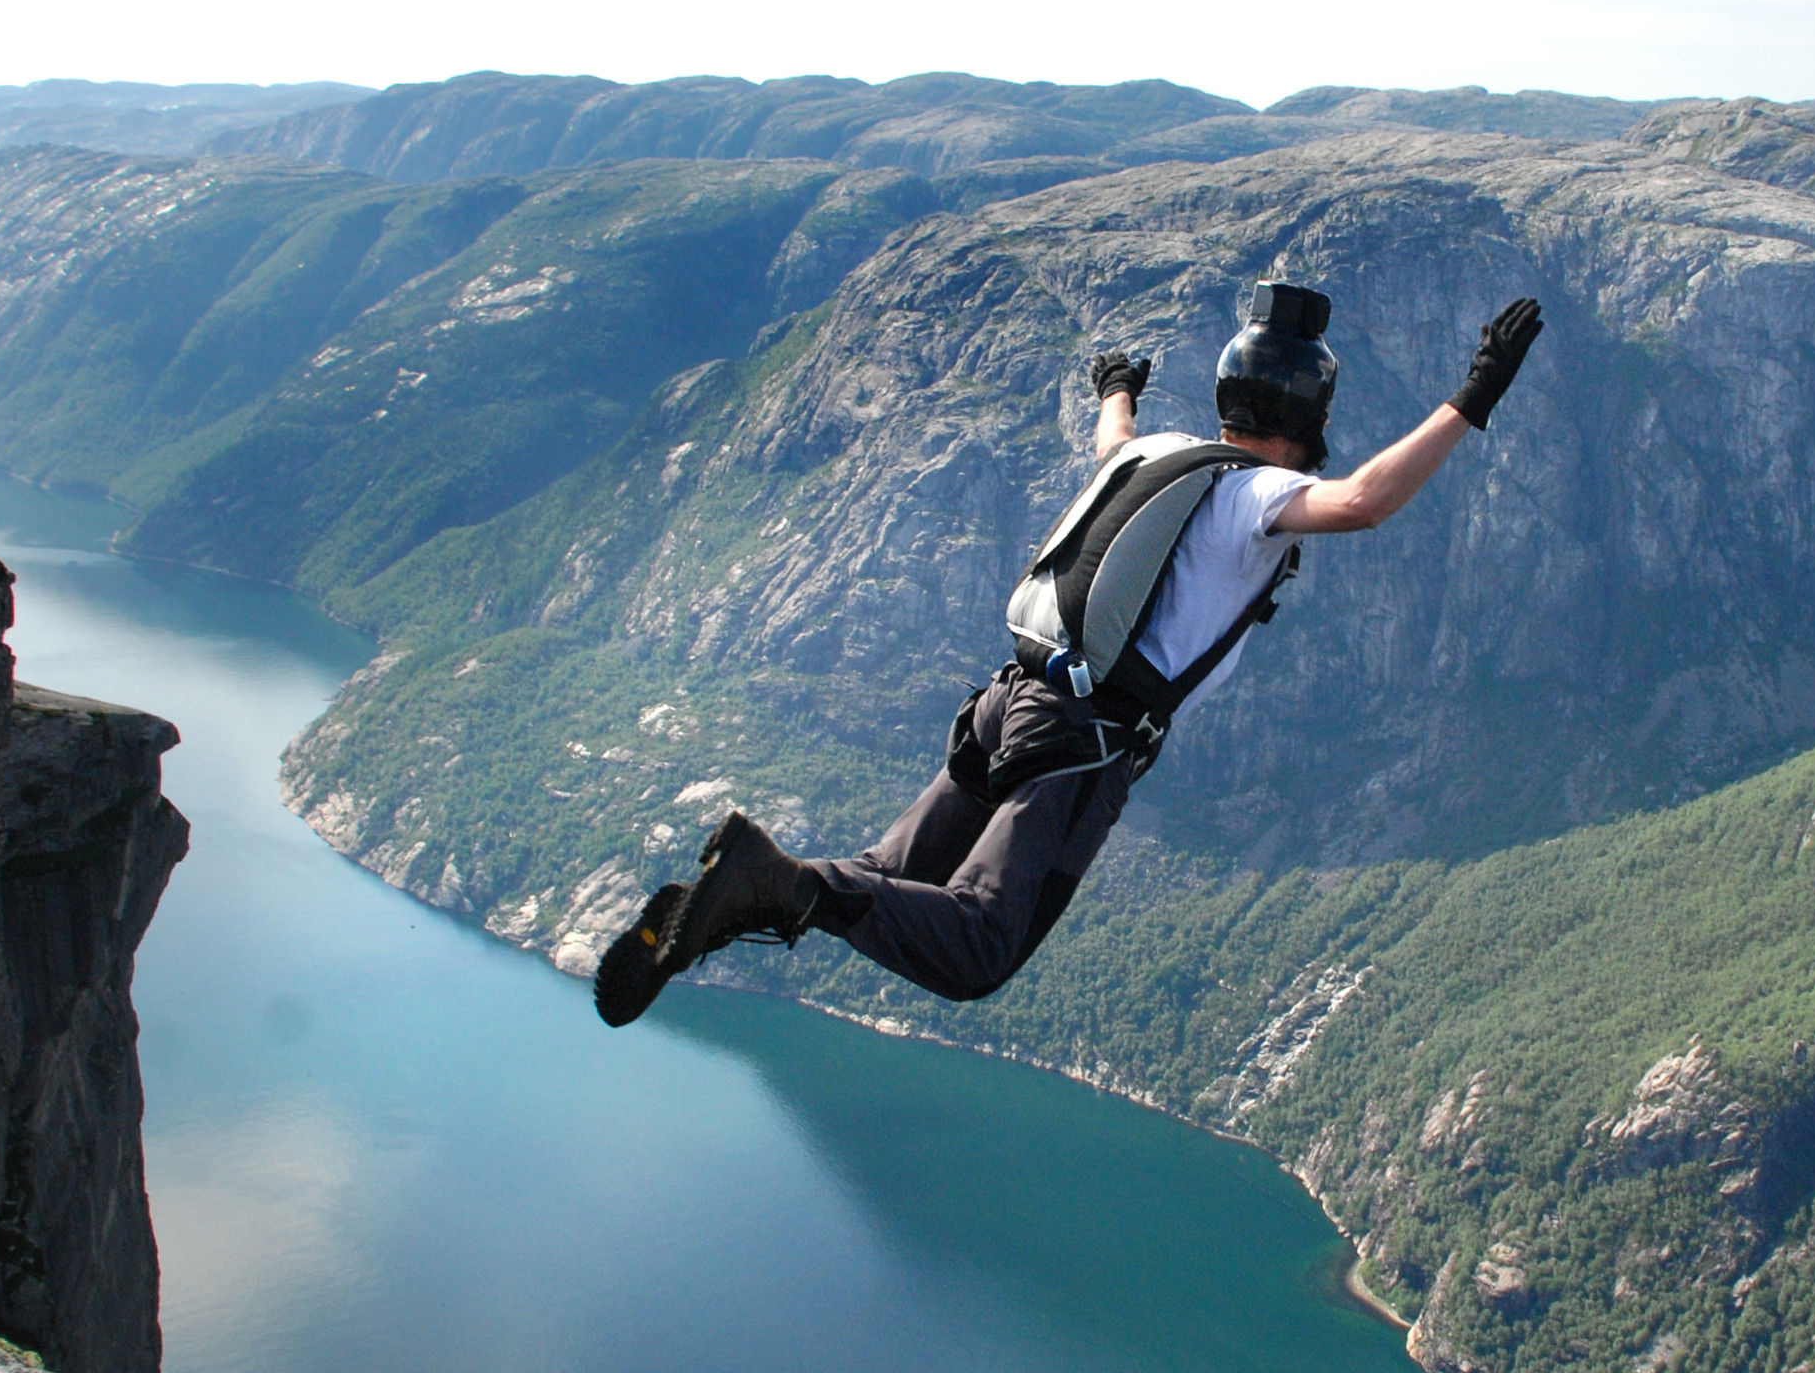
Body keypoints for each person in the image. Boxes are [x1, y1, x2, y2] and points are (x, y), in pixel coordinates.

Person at [593, 283, 1545, 1026]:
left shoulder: (1156, 452)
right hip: (1078, 739)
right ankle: (775, 882)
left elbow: (1109, 439)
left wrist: (1117, 388)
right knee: (973, 951)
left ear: (1226, 394)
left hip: (1005, 700)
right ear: (1312, 412)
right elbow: (1363, 502)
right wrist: (1471, 398)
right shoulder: (1256, 492)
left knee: (885, 885)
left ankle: (736, 904)